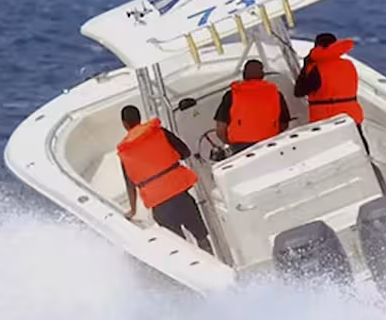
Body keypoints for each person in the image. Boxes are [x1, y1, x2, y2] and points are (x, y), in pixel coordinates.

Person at [116, 105, 213, 253]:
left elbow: (130, 183)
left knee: (180, 247)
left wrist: (133, 210)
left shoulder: (125, 151)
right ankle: (212, 261)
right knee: (201, 237)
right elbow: (185, 152)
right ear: (139, 118)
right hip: (180, 195)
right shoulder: (158, 131)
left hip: (159, 205)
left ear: (124, 124)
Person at [294, 32, 369, 154]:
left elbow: (299, 91)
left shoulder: (316, 69)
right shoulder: (348, 64)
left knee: (328, 153)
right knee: (360, 150)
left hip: (326, 119)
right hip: (351, 115)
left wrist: (306, 66)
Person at [214, 59, 290, 154]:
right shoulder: (276, 94)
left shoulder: (232, 95)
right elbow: (284, 124)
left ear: (244, 75)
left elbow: (220, 128)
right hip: (270, 142)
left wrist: (230, 144)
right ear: (262, 75)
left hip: (240, 146)